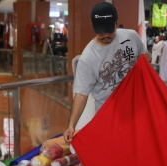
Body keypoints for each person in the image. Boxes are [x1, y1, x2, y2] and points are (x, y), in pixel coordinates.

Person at [63, 2, 151, 143]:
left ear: (116, 22)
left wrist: (149, 57)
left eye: (109, 30)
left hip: (137, 107)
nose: (105, 35)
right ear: (92, 24)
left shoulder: (131, 36)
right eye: (101, 31)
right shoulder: (88, 58)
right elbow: (81, 94)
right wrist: (71, 125)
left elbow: (145, 57)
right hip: (110, 115)